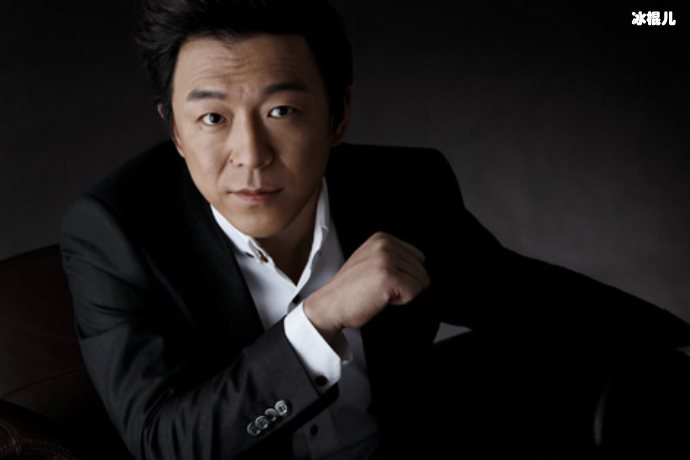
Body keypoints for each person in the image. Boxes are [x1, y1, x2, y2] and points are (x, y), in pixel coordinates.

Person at [59, 0, 690, 459]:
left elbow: (527, 299)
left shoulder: (404, 189)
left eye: (281, 110)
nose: (250, 155)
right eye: (212, 118)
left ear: (338, 116)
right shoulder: (114, 232)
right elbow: (165, 442)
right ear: (174, 129)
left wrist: (680, 341)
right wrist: (318, 321)